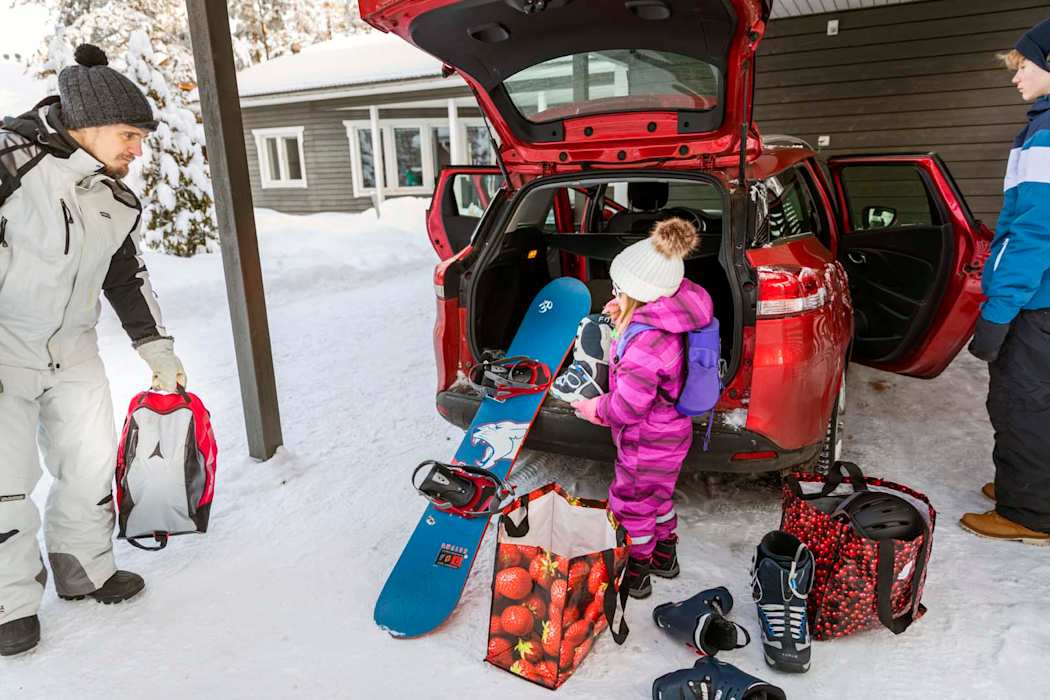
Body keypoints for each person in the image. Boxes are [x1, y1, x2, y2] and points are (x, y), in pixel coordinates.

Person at [0, 44, 187, 656]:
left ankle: (84, 568)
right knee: (5, 480)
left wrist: (156, 348)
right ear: (86, 124)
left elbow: (125, 276)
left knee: (88, 464)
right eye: (129, 134)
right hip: (4, 346)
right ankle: (9, 602)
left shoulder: (113, 197)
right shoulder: (9, 163)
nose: (137, 148)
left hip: (73, 348)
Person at [572, 217, 713, 597]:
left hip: (645, 440)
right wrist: (624, 316)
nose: (614, 292)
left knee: (632, 505)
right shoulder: (666, 320)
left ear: (637, 291)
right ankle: (666, 554)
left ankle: (636, 571)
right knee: (658, 497)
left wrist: (592, 408)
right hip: (671, 433)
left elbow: (627, 408)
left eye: (619, 289)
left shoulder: (646, 346)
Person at [961, 19, 1050, 545]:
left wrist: (998, 312)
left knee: (1022, 403)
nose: (1016, 77)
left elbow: (1032, 236)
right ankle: (1031, 484)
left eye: (1024, 66)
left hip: (1034, 303)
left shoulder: (1046, 135)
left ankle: (1030, 513)